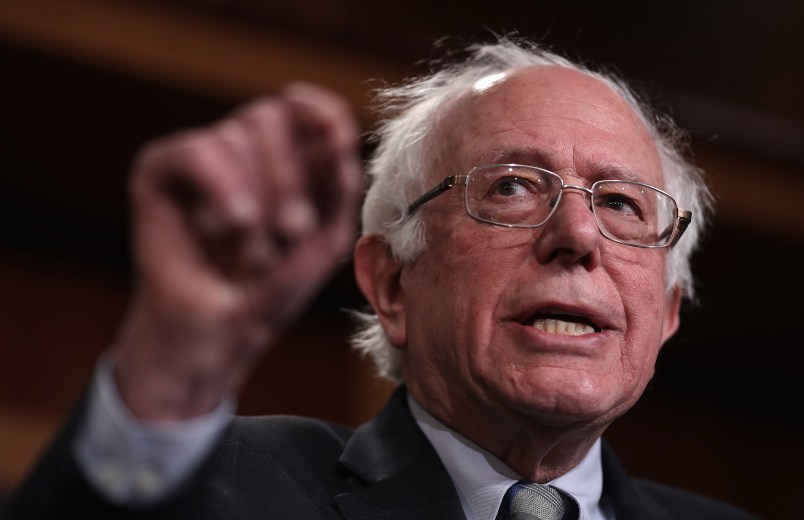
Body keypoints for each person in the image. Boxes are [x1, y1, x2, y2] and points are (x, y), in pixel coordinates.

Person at [3, 37, 759, 519]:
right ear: (392, 283)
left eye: (622, 203)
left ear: (664, 314)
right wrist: (171, 369)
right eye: (511, 189)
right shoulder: (224, 488)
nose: (576, 236)